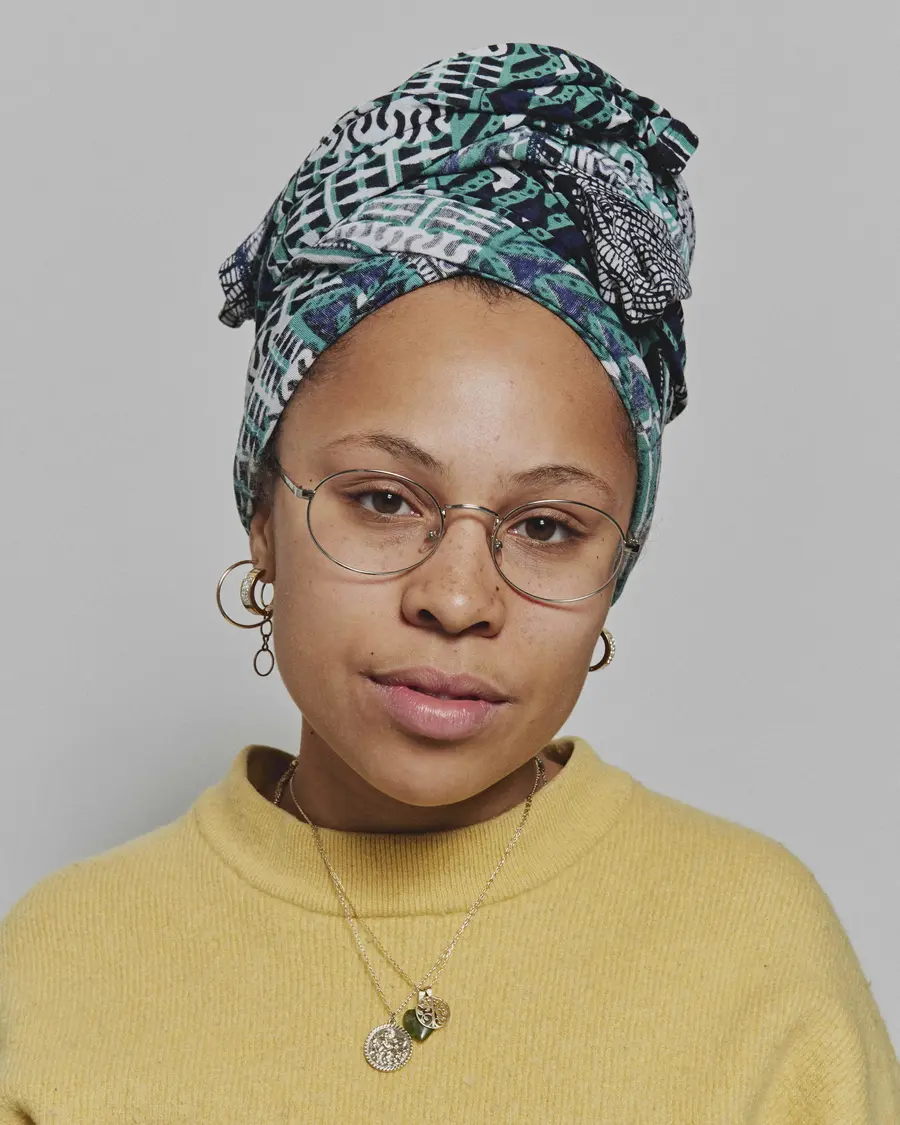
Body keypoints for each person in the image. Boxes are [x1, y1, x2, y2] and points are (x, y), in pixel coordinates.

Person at [1, 41, 897, 1124]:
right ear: (264, 519)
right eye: (383, 500)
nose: (460, 599)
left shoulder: (759, 952)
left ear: (618, 566)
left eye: (548, 526)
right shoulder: (53, 969)